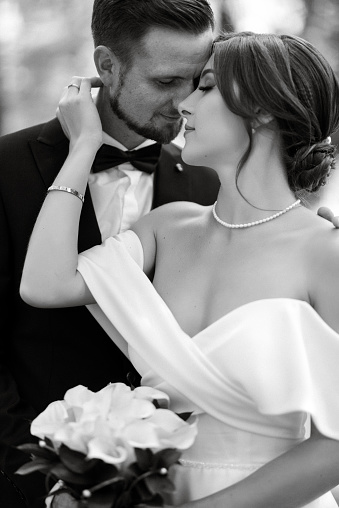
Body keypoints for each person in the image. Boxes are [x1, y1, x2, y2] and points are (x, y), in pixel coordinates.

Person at [20, 31, 339, 507]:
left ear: (265, 107)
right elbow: (44, 285)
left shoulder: (325, 252)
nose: (183, 106)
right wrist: (82, 147)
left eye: (206, 86)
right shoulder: (167, 228)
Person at [0, 1, 218, 506]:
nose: (186, 102)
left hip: (183, 484)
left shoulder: (211, 181)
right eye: (166, 82)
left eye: (199, 81)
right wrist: (46, 485)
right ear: (106, 66)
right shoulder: (6, 169)